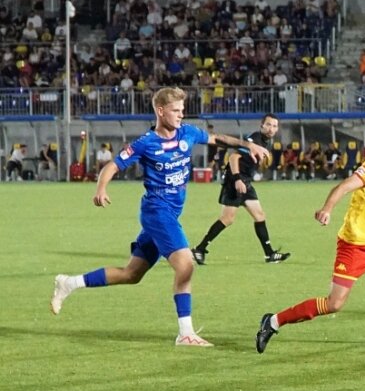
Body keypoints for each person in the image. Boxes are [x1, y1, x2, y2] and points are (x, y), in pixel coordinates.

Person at [50, 87, 270, 347]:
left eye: (182, 110)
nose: (181, 115)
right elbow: (112, 165)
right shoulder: (146, 143)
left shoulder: (187, 133)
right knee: (186, 264)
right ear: (160, 111)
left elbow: (217, 139)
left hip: (169, 215)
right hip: (157, 212)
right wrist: (101, 188)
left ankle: (70, 283)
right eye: (176, 110)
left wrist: (248, 145)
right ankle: (185, 333)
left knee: (131, 274)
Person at [255, 123, 365, 354]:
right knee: (334, 304)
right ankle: (273, 321)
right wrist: (327, 209)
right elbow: (343, 187)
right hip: (354, 246)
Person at [191, 113, 290, 266]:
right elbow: (233, 157)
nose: (271, 128)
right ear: (262, 125)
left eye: (274, 126)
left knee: (259, 215)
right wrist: (237, 179)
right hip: (235, 181)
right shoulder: (255, 139)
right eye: (269, 125)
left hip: (246, 182)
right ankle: (200, 249)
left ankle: (269, 254)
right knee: (227, 219)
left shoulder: (265, 142)